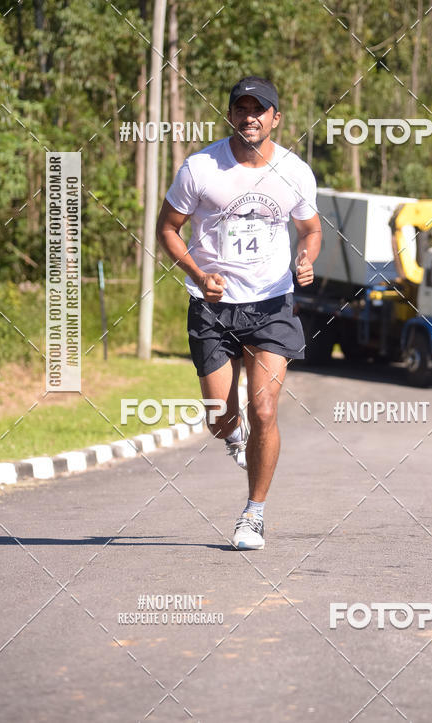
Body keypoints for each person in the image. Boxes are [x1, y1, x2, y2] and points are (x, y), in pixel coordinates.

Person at [156, 76, 321, 550]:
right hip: (212, 306)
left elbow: (310, 229)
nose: (250, 116)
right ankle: (232, 435)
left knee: (264, 409)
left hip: (271, 304)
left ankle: (254, 514)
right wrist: (197, 271)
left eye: (260, 109)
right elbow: (168, 228)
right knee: (219, 419)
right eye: (241, 108)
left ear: (276, 117)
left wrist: (307, 257)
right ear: (230, 114)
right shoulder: (201, 168)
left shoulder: (295, 171)